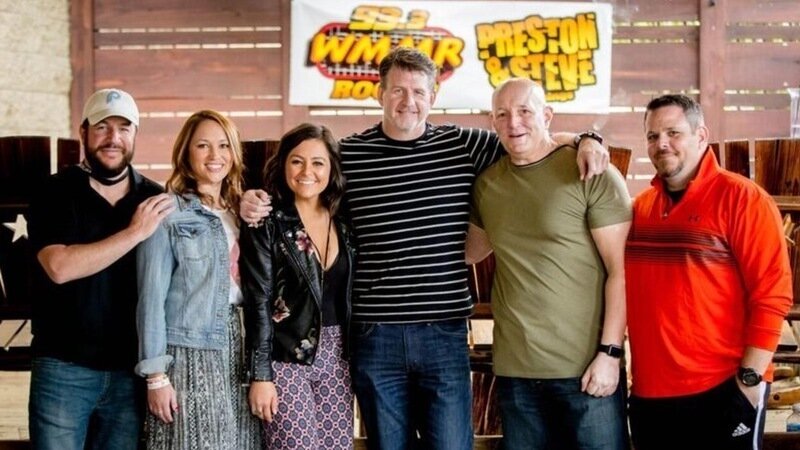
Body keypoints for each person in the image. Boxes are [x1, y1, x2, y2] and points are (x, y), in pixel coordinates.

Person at [240, 47, 609, 450]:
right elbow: (302, 187)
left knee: (451, 444)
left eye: (418, 91)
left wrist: (585, 138)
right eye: (397, 90)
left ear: (433, 97)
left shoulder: (464, 144)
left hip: (443, 333)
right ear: (379, 94)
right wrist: (253, 201)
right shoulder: (349, 155)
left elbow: (530, 139)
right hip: (375, 334)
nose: (408, 101)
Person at [465, 78, 631, 449]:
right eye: (502, 114)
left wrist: (610, 354)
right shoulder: (488, 185)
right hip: (517, 372)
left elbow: (621, 272)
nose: (514, 122)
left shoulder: (590, 171)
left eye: (525, 111)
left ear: (547, 115)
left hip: (586, 370)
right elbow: (469, 252)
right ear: (492, 122)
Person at [625, 94, 794, 450]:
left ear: (701, 135)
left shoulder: (744, 199)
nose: (661, 143)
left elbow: (772, 296)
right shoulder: (641, 209)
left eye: (673, 133)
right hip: (650, 396)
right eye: (653, 136)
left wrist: (749, 382)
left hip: (724, 389)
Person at [26, 88, 174, 450]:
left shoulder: (153, 198)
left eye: (124, 128)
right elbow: (59, 266)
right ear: (84, 132)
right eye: (102, 127)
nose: (113, 138)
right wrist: (135, 232)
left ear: (135, 134)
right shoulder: (55, 191)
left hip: (129, 374)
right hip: (63, 369)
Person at [135, 110, 261, 450]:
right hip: (189, 351)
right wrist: (156, 377)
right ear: (186, 153)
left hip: (241, 349)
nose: (214, 155)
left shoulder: (242, 212)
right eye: (203, 145)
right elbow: (150, 298)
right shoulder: (166, 212)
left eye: (224, 145)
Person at [239, 123, 356, 449]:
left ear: (331, 168)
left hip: (338, 358)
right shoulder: (265, 220)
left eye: (318, 162)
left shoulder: (344, 220)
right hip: (285, 357)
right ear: (283, 165)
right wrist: (261, 374)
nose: (307, 172)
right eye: (297, 161)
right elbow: (258, 301)